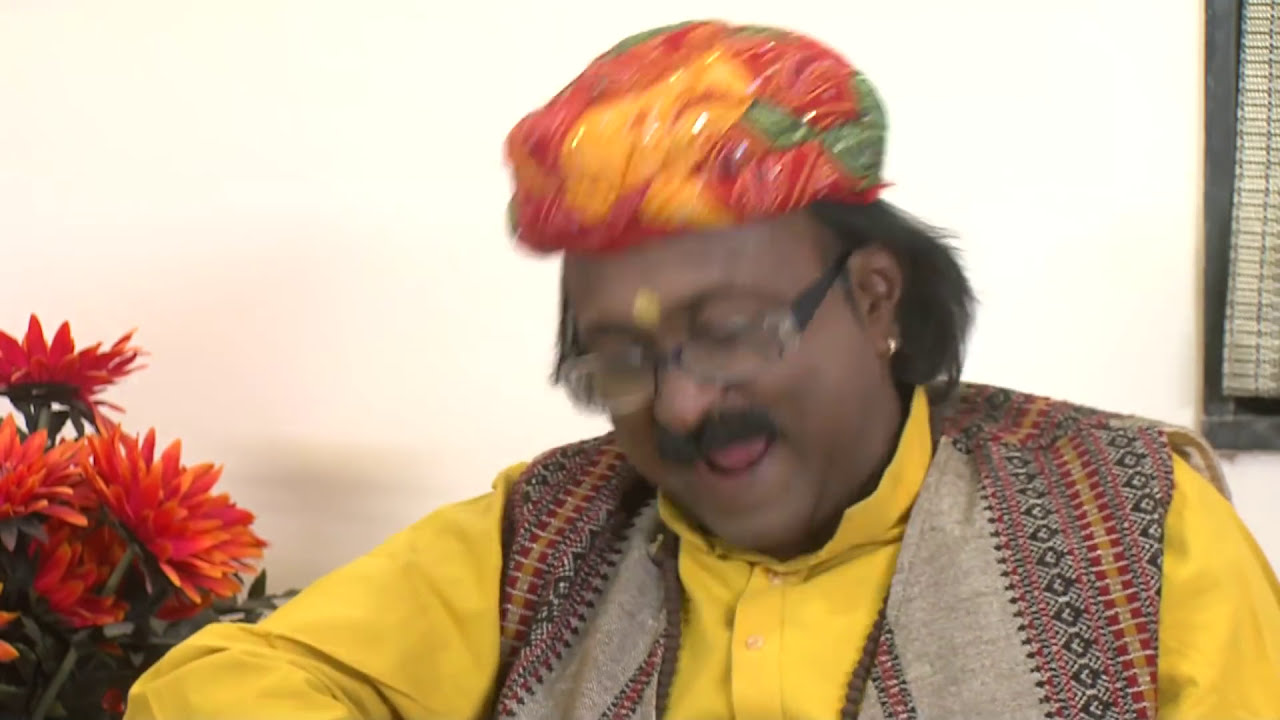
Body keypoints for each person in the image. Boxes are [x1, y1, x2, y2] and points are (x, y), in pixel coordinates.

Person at [125, 20, 1280, 720]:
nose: (677, 403)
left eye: (729, 330)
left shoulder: (1134, 524)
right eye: (619, 359)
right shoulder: (544, 532)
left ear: (873, 298)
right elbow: (205, 687)